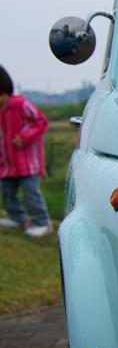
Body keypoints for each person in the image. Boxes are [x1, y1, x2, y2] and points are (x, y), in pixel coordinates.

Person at [0, 65, 53, 238]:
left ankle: (42, 222)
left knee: (31, 193)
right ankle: (17, 218)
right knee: (7, 192)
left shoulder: (20, 105)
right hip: (8, 164)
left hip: (28, 163)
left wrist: (23, 138)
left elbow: (40, 122)